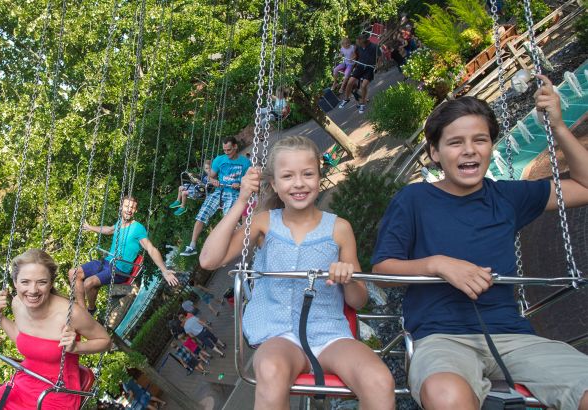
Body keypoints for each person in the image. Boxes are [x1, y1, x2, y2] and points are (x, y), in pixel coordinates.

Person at [371, 78, 588, 410]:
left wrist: (557, 127)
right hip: (441, 337)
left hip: (513, 337)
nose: (469, 150)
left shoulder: (507, 196)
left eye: (480, 140)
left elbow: (584, 187)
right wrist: (438, 264)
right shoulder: (414, 200)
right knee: (446, 395)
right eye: (455, 142)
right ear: (434, 153)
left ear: (490, 146)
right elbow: (383, 271)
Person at [199, 136, 395, 409]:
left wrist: (348, 278)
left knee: (379, 380)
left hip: (328, 334)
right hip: (277, 335)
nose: (299, 183)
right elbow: (208, 260)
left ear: (319, 176)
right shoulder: (264, 223)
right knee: (269, 369)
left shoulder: (339, 229)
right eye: (288, 176)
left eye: (307, 174)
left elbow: (358, 301)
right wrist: (242, 199)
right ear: (275, 185)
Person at [0, 249, 111, 410]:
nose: (33, 290)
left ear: (51, 283)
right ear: (15, 282)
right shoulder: (17, 304)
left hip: (56, 391)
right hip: (23, 382)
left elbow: (105, 341)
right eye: (25, 282)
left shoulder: (70, 313)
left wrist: (76, 347)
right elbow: (21, 338)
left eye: (41, 282)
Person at [69, 196, 178, 314]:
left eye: (132, 207)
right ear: (121, 207)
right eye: (127, 206)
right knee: (72, 273)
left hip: (120, 270)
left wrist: (164, 270)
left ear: (135, 210)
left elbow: (151, 249)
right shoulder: (119, 223)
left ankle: (90, 310)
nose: (129, 209)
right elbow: (109, 230)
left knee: (89, 283)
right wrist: (90, 227)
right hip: (107, 262)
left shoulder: (138, 228)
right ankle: (82, 309)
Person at [180, 137, 251, 256]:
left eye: (229, 150)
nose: (226, 153)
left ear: (235, 147)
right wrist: (214, 181)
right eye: (224, 150)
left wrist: (239, 184)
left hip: (234, 193)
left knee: (227, 220)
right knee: (201, 215)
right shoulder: (219, 159)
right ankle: (192, 246)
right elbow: (210, 177)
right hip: (219, 190)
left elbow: (248, 180)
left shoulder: (245, 162)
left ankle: (227, 248)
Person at [341, 34, 378, 114]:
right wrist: (352, 59)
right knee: (350, 82)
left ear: (363, 42)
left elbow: (380, 57)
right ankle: (346, 99)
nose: (356, 44)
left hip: (369, 68)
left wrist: (379, 65)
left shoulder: (374, 47)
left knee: (364, 85)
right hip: (360, 66)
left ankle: (362, 104)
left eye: (358, 42)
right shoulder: (358, 47)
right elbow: (355, 55)